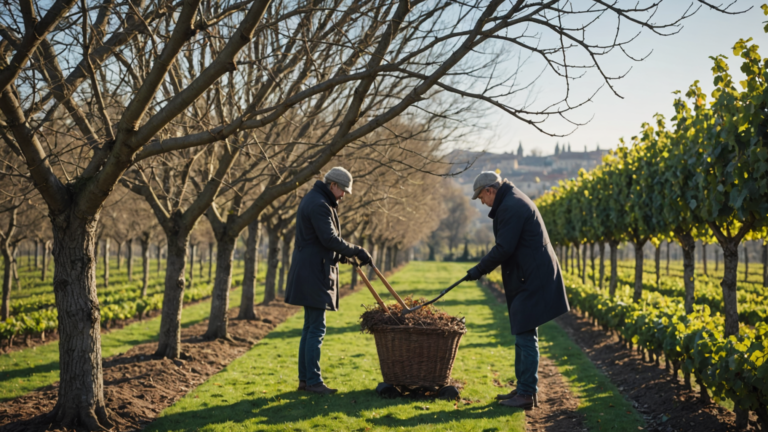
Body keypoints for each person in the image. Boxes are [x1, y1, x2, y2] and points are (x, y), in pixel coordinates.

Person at [465, 171, 569, 409]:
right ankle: (524, 388)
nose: (482, 202)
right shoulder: (511, 200)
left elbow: (504, 248)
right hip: (528, 275)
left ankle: (526, 393)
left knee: (525, 334)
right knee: (523, 332)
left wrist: (479, 269)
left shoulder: (511, 206)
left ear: (490, 190)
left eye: (481, 197)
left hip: (532, 278)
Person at [284, 167, 373, 395]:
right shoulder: (319, 204)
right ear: (333, 185)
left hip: (311, 269)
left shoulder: (316, 200)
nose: (343, 195)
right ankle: (313, 382)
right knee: (316, 328)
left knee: (310, 327)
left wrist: (344, 256)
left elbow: (319, 242)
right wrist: (357, 250)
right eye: (342, 190)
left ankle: (305, 381)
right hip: (313, 273)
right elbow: (329, 239)